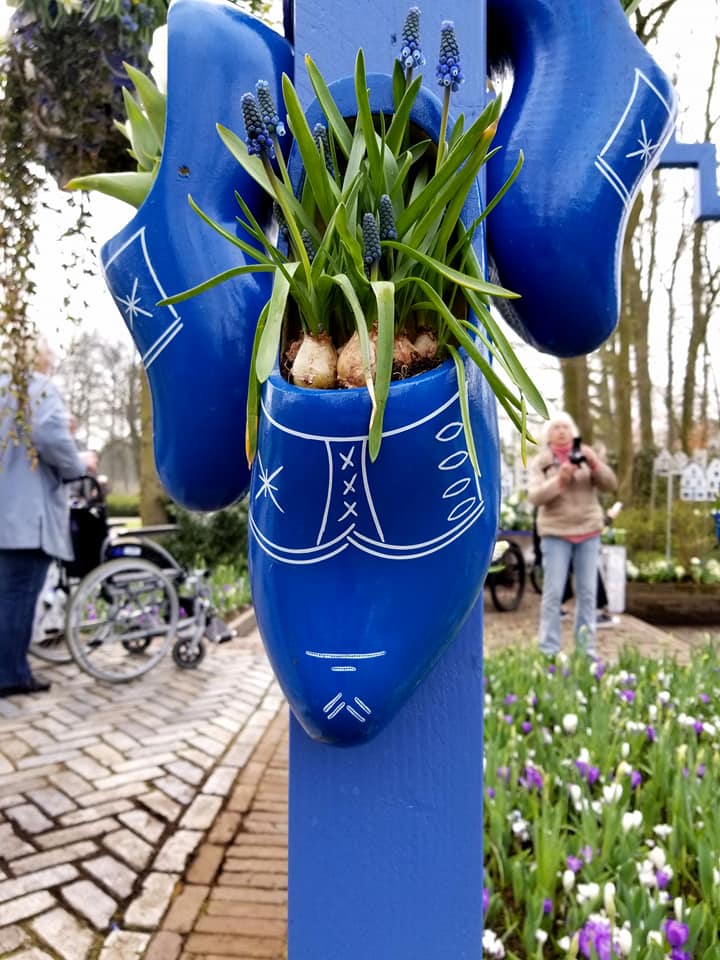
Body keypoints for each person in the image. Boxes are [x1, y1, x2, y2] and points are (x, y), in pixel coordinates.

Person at [0, 338, 97, 696]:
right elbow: (47, 434)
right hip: (28, 518)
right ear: (41, 359)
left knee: (6, 593)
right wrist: (78, 463)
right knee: (18, 596)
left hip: (6, 512)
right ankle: (10, 674)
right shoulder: (36, 389)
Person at [527, 412, 617, 657]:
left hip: (588, 531)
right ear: (549, 434)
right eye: (556, 427)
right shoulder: (541, 461)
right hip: (555, 533)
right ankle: (549, 651)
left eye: (566, 426)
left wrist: (595, 464)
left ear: (573, 432)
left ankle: (585, 651)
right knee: (553, 594)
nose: (561, 431)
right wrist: (560, 480)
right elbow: (534, 496)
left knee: (588, 594)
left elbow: (610, 484)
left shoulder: (587, 455)